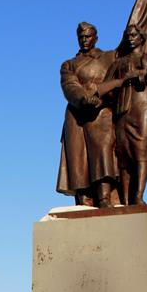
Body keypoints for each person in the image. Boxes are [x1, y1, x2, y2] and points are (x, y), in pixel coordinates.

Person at [56, 22, 119, 208]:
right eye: (81, 37)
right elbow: (70, 86)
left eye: (88, 36)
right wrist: (84, 98)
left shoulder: (110, 57)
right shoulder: (68, 64)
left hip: (103, 111)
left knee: (103, 151)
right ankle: (84, 200)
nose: (84, 40)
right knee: (78, 158)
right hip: (77, 114)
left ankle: (104, 197)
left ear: (96, 38)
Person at [104, 24, 147, 204]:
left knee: (141, 149)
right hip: (123, 107)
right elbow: (107, 89)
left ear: (142, 38)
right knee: (124, 153)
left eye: (134, 35)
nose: (130, 38)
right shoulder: (119, 63)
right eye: (128, 35)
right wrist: (123, 83)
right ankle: (125, 200)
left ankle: (138, 196)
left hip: (144, 106)